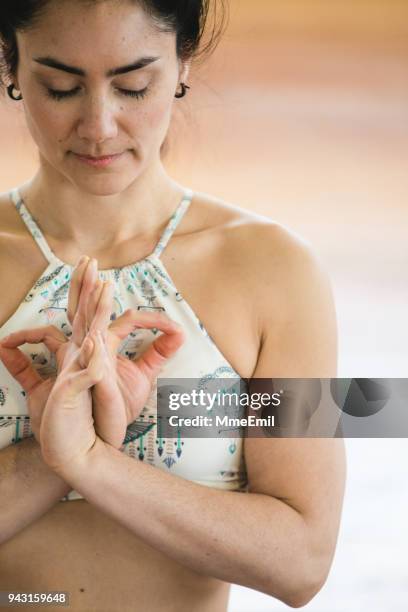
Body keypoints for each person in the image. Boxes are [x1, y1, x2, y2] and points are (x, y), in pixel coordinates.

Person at [0, 1, 346, 610]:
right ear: (12, 66)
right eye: (60, 87)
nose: (99, 125)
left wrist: (89, 459)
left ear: (182, 62)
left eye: (133, 85)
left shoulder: (274, 271)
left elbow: (302, 561)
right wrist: (54, 454)